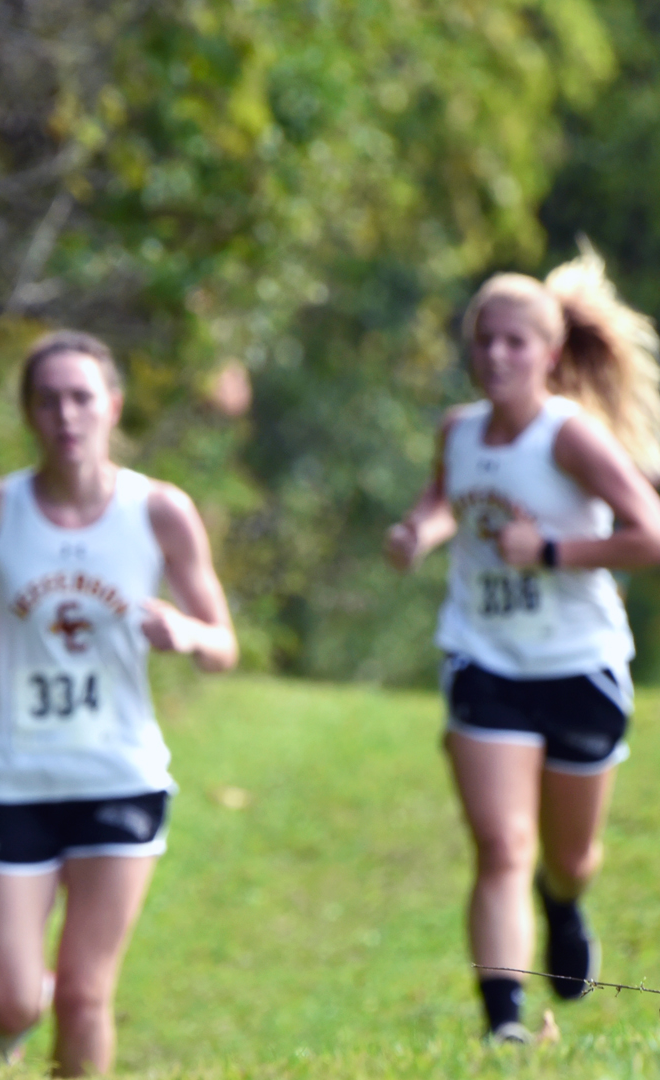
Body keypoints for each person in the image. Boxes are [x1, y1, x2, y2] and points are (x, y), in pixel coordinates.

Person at [0, 330, 237, 1075]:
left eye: (82, 397)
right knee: (13, 1002)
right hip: (14, 778)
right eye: (49, 399)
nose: (67, 414)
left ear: (112, 407)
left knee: (86, 995)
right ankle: (1, 1035)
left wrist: (186, 632)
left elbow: (225, 645)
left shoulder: (160, 511)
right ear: (28, 413)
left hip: (119, 777)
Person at [385, 245, 660, 1044]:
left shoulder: (573, 438)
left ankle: (565, 904)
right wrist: (418, 532)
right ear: (470, 350)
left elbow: (651, 534)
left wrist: (551, 553)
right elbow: (447, 501)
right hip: (485, 655)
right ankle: (504, 1026)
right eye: (485, 340)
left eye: (516, 342)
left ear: (548, 354)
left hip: (579, 663)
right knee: (502, 842)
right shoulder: (458, 430)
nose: (497, 355)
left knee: (569, 858)